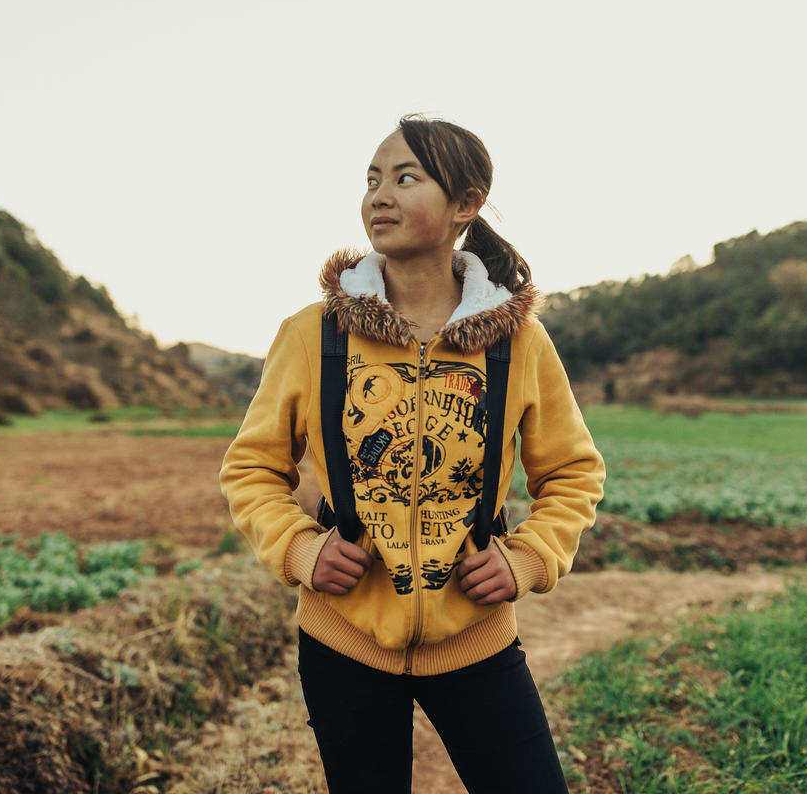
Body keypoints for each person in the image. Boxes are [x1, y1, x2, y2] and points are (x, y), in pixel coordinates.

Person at [219, 114, 605, 793]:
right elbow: (252, 468)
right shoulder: (313, 335)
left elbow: (572, 472)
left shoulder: (519, 344)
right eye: (371, 180)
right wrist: (301, 550)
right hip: (343, 641)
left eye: (406, 178)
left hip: (475, 637)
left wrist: (530, 557)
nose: (379, 196)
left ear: (466, 205)